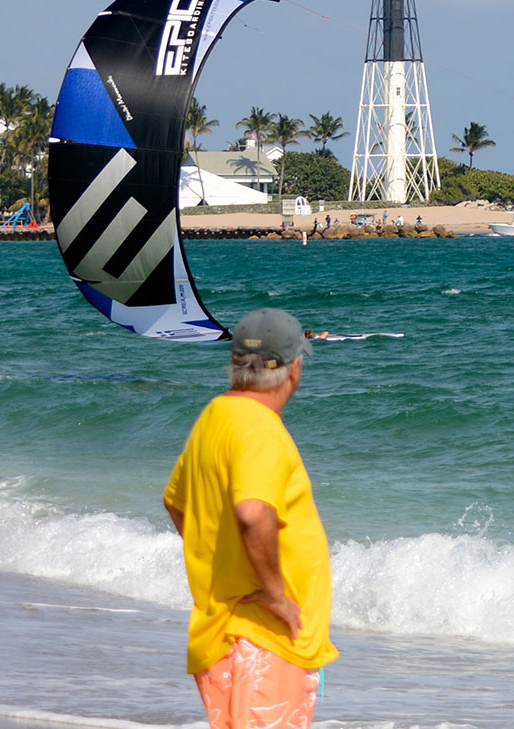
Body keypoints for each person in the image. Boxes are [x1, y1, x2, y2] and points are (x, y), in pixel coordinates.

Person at [164, 308, 338, 729]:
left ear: (238, 363)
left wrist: (220, 567)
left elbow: (176, 502)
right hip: (263, 636)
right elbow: (252, 511)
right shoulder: (259, 427)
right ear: (294, 366)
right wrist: (276, 594)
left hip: (228, 628)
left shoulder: (216, 415)